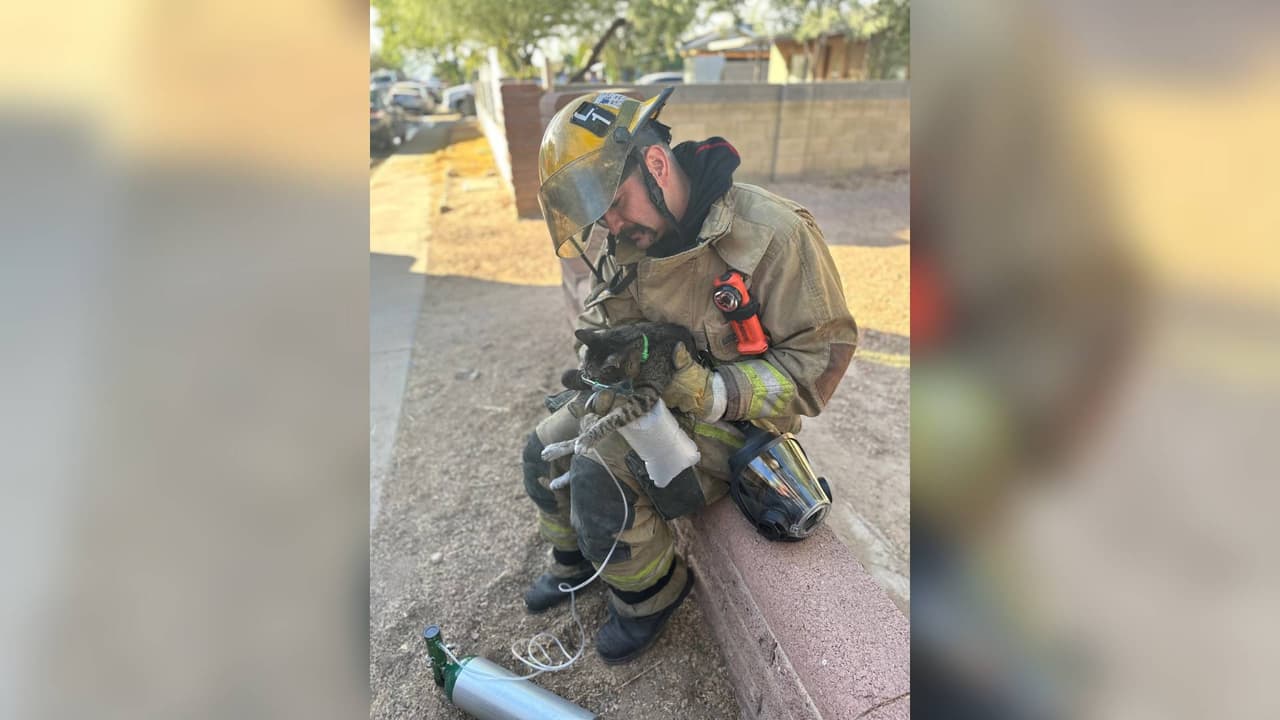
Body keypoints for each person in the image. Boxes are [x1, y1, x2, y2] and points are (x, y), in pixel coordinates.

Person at [521, 87, 858, 664]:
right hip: (655, 399)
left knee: (598, 465)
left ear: (655, 164)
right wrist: (601, 353)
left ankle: (649, 595)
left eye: (615, 202)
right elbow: (608, 313)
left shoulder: (773, 235)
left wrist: (712, 391)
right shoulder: (635, 233)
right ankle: (574, 563)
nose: (612, 223)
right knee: (543, 447)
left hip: (741, 425)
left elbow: (816, 367)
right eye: (599, 211)